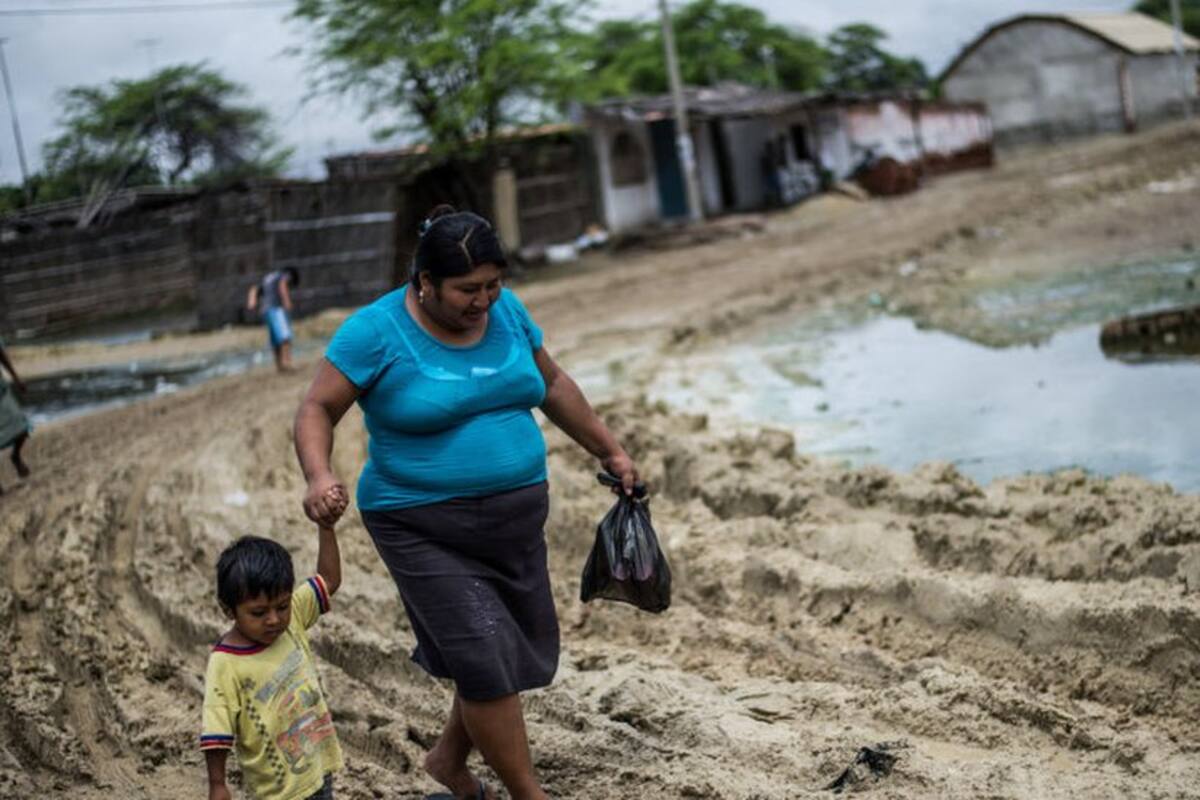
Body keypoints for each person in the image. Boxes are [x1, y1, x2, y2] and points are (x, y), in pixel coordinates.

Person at [293, 205, 638, 800]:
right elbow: (317, 409)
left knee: (499, 652)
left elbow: (551, 384)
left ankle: (448, 762)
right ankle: (528, 794)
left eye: (493, 285)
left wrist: (610, 451)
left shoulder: (508, 313)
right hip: (418, 523)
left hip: (514, 524)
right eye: (467, 290)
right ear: (425, 282)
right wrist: (318, 474)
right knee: (482, 655)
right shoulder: (375, 332)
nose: (484, 301)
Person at [200, 510, 346, 800]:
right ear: (228, 611)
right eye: (258, 612)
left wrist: (326, 528)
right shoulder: (225, 662)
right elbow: (216, 729)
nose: (274, 620)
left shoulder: (293, 621)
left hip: (318, 768)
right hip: (275, 790)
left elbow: (328, 580)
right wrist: (217, 784)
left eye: (282, 606)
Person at [247, 267, 300, 372]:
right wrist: (287, 301)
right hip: (276, 308)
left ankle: (279, 365)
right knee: (285, 336)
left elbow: (254, 289)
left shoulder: (269, 278)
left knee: (275, 339)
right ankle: (287, 362)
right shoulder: (284, 275)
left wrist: (252, 301)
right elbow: (283, 284)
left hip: (265, 311)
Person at [0, 340, 31, 493]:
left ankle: (16, 456)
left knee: (22, 428)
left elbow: (2, 355)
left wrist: (16, 378)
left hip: (1, 392)